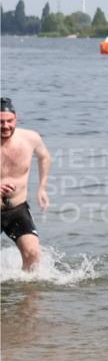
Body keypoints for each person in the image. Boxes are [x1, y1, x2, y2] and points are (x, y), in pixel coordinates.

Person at [1, 97, 51, 271]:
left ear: (16, 118)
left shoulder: (30, 138)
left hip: (17, 209)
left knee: (33, 255)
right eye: (0, 122)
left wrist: (42, 188)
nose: (5, 126)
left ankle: (26, 296)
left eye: (9, 121)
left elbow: (44, 157)